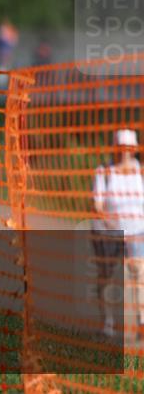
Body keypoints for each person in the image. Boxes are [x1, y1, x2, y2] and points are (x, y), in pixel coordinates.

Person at [92, 128, 144, 339]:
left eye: (128, 148)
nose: (124, 152)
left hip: (138, 232)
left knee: (139, 276)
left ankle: (141, 322)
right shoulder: (104, 172)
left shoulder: (140, 172)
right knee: (107, 276)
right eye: (121, 148)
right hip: (109, 234)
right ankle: (108, 323)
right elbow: (97, 205)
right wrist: (111, 223)